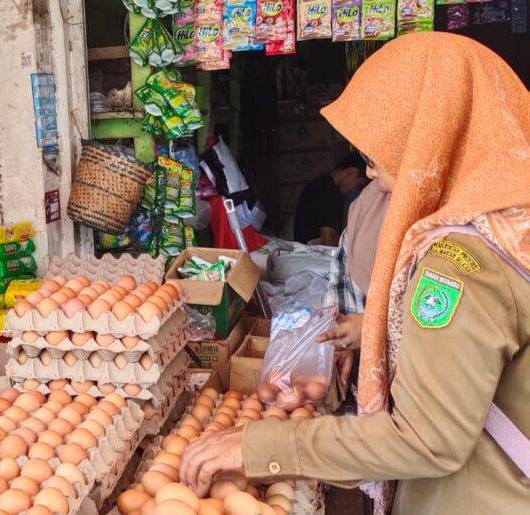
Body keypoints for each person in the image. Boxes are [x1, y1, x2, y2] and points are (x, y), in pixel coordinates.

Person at [179, 32, 530, 515]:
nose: (367, 173)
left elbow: (427, 439)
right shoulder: (512, 223)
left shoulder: (459, 263)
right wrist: (376, 329)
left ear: (431, 135)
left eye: (376, 153)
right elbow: (493, 339)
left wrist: (261, 447)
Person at [320, 180, 390, 389]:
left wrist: (374, 326)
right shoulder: (368, 203)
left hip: (420, 384)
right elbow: (343, 271)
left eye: (375, 163)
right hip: (371, 373)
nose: (369, 173)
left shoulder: (446, 220)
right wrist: (342, 334)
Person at [293, 152, 369, 246]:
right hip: (312, 254)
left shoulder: (321, 185)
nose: (355, 190)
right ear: (351, 172)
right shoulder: (328, 191)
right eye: (359, 185)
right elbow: (328, 241)